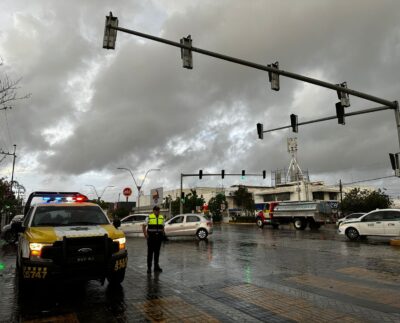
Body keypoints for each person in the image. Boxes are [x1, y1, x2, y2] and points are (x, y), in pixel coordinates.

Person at [143, 205, 164, 274]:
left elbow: (162, 226)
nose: (158, 212)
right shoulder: (149, 217)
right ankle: (149, 268)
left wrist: (163, 234)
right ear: (154, 211)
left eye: (159, 210)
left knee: (157, 253)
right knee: (150, 253)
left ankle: (156, 267)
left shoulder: (161, 217)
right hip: (151, 238)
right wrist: (146, 235)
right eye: (157, 210)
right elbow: (144, 226)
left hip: (158, 238)